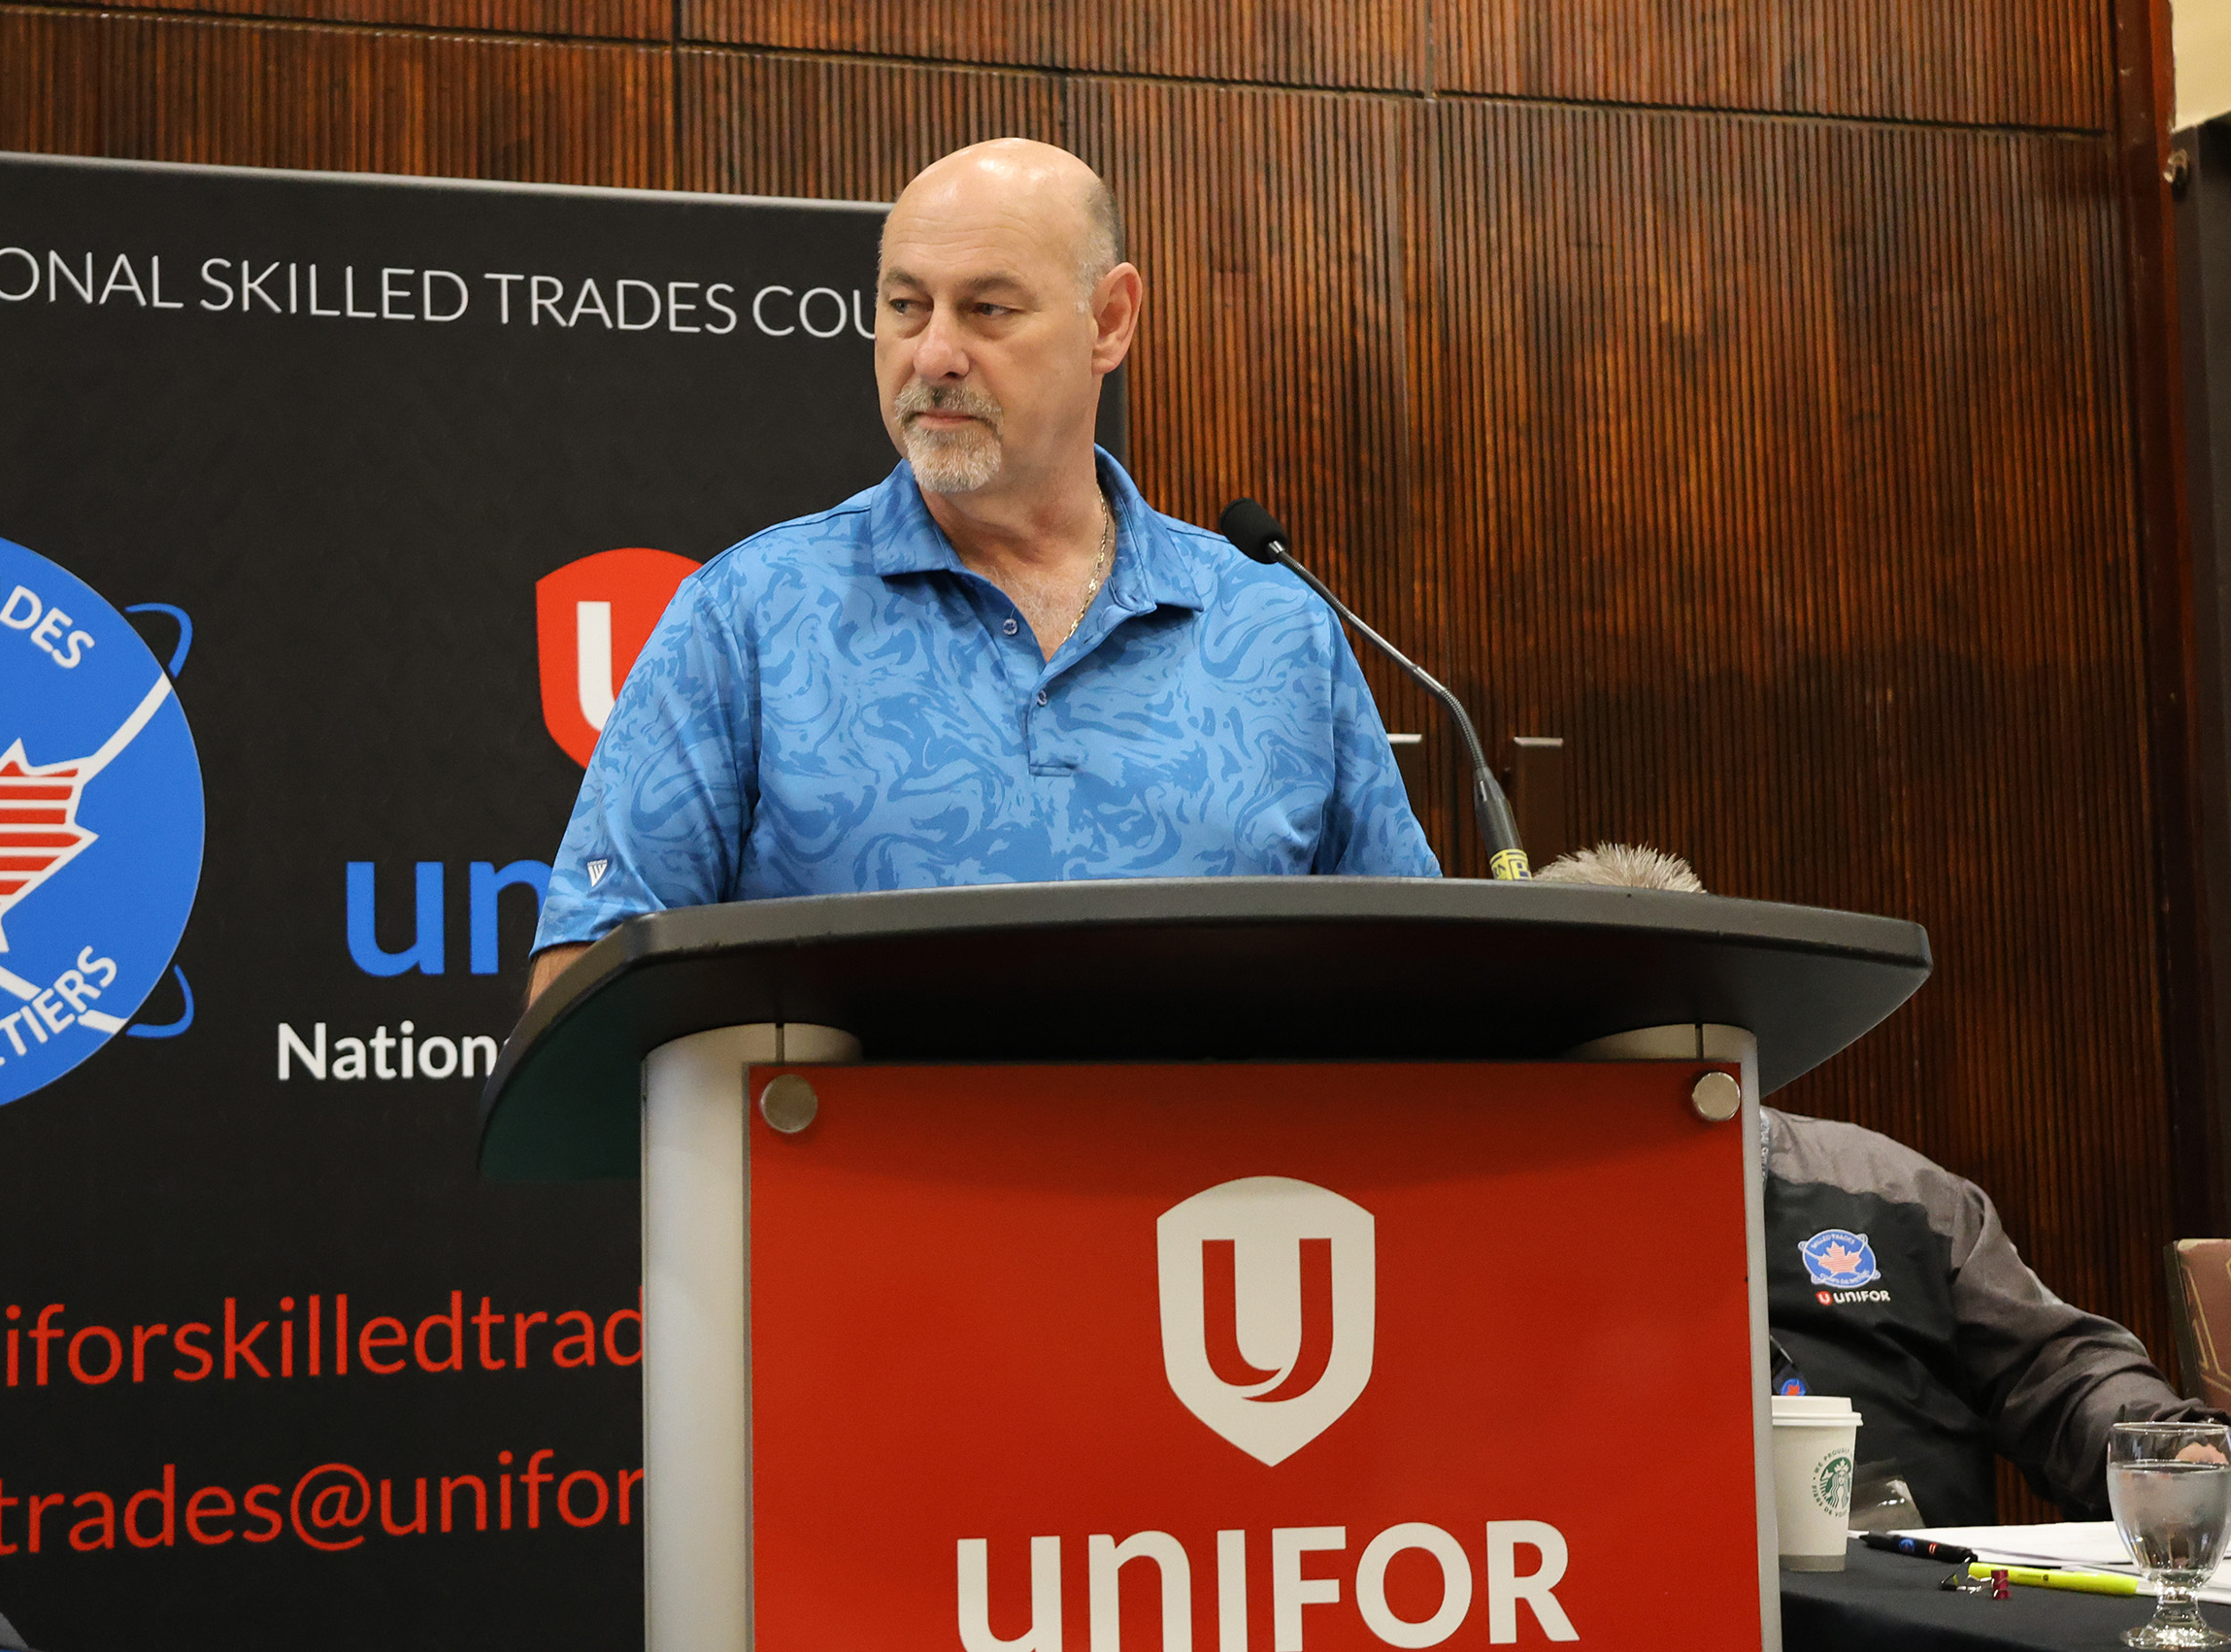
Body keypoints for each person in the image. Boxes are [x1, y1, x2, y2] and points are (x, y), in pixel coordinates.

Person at [528, 139, 1435, 995]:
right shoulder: (747, 615)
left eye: (988, 309)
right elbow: (586, 983)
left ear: (1109, 322)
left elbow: (1420, 977)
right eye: (904, 306)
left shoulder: (1274, 626)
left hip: (1216, 1163)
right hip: (845, 1159)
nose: (933, 355)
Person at [1532, 842, 2212, 1521]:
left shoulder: (1896, 1191)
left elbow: (2055, 1370)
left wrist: (2165, 1445)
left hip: (1925, 1597)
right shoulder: (1507, 1212)